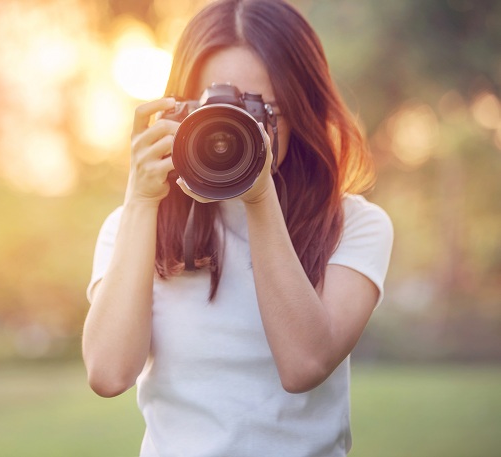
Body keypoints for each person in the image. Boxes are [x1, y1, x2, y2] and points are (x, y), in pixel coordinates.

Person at [82, 0, 394, 455]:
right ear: (178, 109)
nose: (229, 128)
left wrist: (259, 196)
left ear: (301, 110)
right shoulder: (133, 226)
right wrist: (140, 200)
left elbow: (303, 364)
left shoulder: (356, 225)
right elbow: (108, 374)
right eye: (213, 107)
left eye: (258, 108)